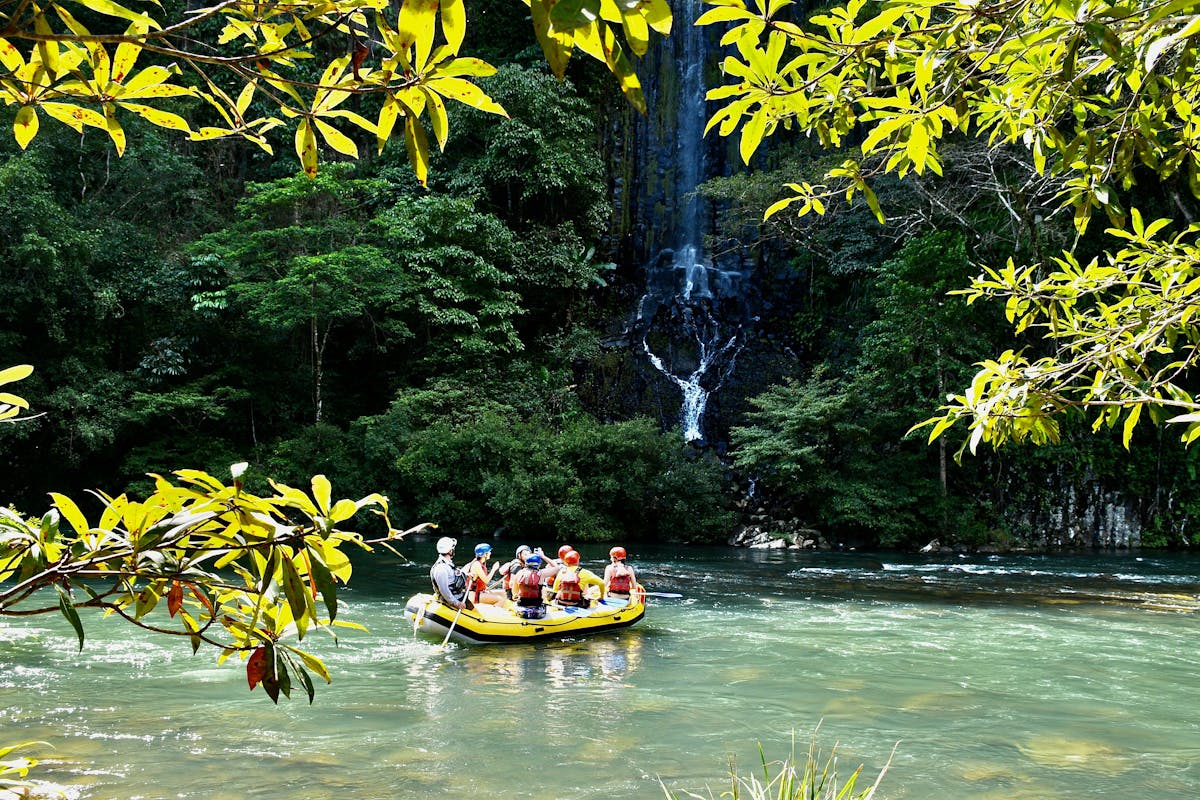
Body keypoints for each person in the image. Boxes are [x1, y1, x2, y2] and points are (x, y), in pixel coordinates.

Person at [429, 536, 471, 610]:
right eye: (453, 548)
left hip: (457, 595)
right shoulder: (441, 568)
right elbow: (444, 590)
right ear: (450, 551)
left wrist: (466, 575)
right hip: (455, 599)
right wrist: (457, 603)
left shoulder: (446, 563)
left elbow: (452, 576)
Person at [511, 552, 549, 619]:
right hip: (537, 610)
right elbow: (556, 567)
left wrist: (516, 596)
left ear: (526, 564)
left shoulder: (519, 573)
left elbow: (514, 592)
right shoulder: (541, 574)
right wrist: (543, 556)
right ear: (539, 564)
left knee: (512, 604)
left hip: (521, 608)